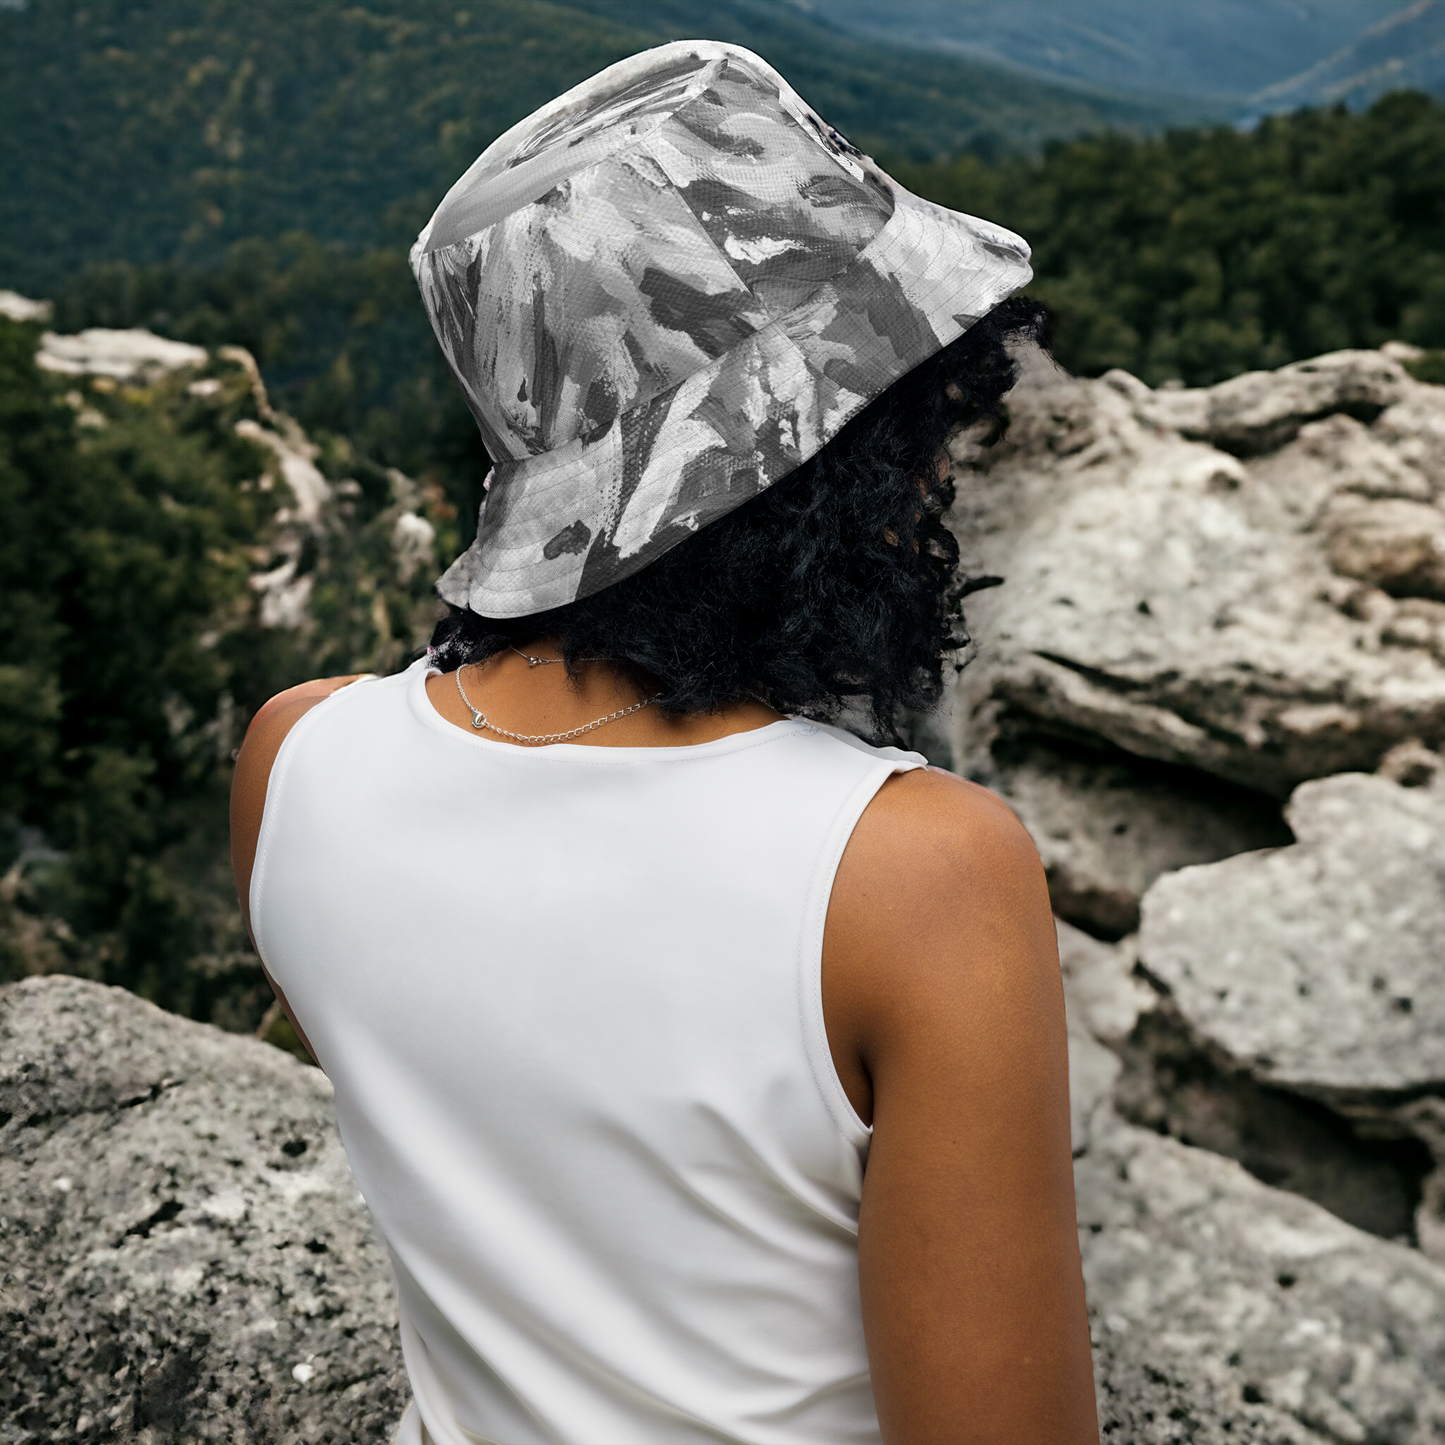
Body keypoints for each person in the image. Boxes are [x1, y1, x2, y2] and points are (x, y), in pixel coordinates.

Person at [231, 39, 1098, 1445]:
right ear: (840, 458)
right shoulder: (917, 873)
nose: (941, 462)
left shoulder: (295, 761)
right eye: (917, 415)